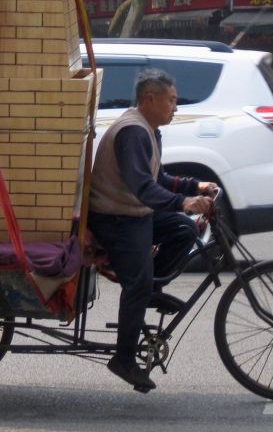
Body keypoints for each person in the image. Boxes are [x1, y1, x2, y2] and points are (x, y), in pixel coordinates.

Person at [88, 68, 216, 392]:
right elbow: (144, 187)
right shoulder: (133, 131)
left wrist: (193, 185)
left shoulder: (147, 129)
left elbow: (158, 178)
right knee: (138, 282)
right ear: (150, 99)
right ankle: (124, 359)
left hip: (135, 214)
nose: (176, 107)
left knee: (184, 231)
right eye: (171, 100)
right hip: (115, 218)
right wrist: (183, 201)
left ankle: (150, 294)